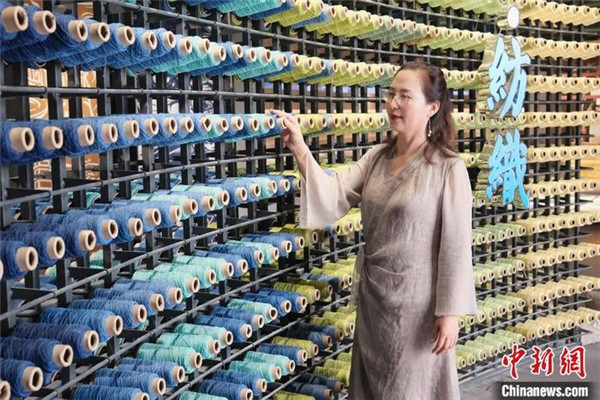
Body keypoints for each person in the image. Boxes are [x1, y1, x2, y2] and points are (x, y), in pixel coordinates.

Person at [271, 59, 478, 399]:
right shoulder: (376, 158)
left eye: (405, 96)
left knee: (411, 388)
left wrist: (450, 312)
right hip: (375, 301)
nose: (393, 104)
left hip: (418, 307)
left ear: (433, 107)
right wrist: (299, 147)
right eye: (391, 94)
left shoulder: (448, 168)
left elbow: (455, 245)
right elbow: (333, 195)